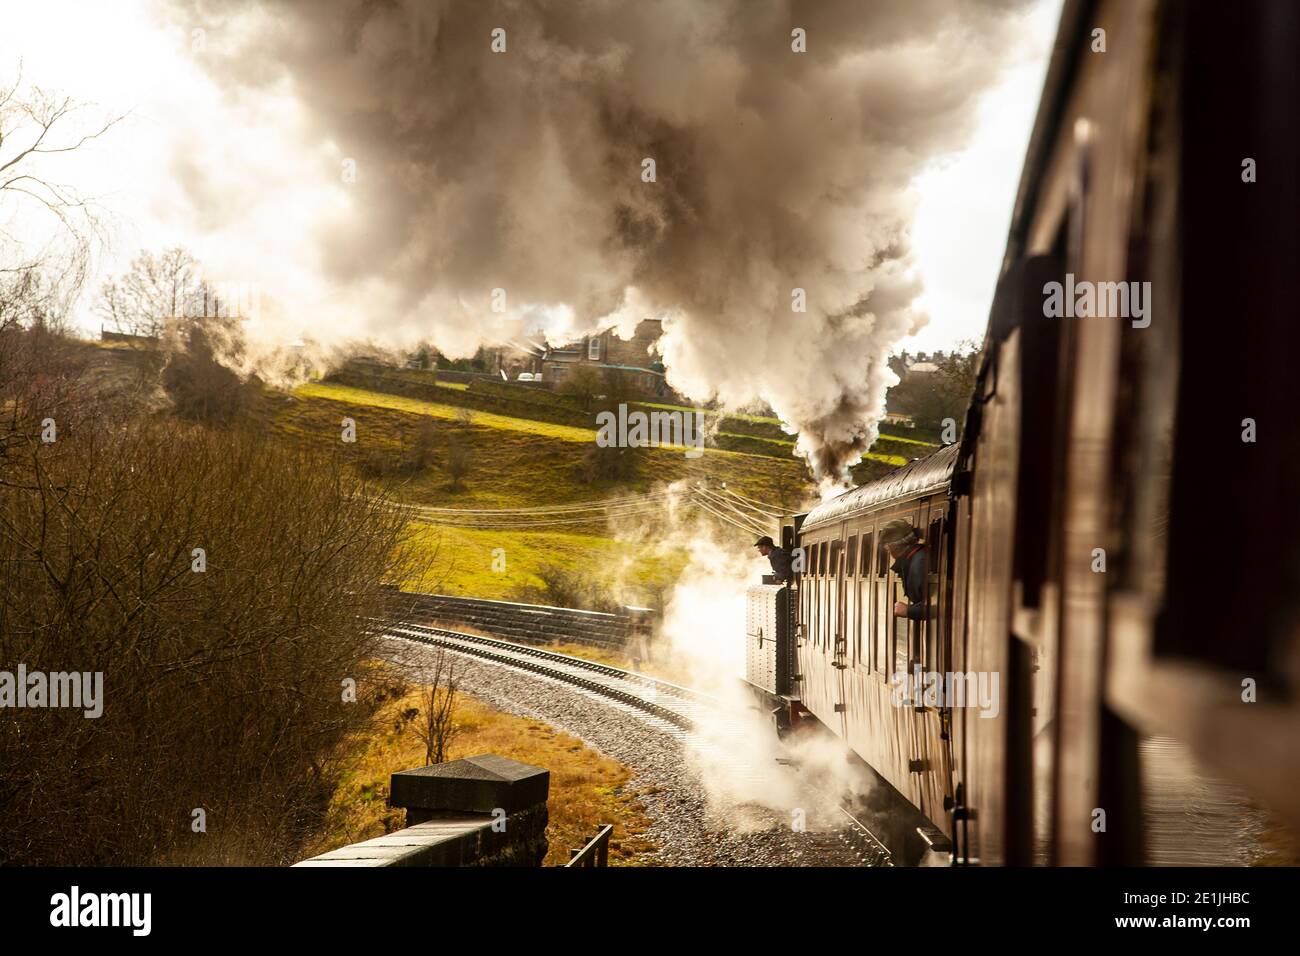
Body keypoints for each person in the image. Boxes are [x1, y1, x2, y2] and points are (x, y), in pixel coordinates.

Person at [880, 518, 929, 620]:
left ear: (893, 546)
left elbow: (938, 606)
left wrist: (908, 611)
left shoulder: (919, 563)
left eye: (887, 547)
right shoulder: (915, 559)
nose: (887, 551)